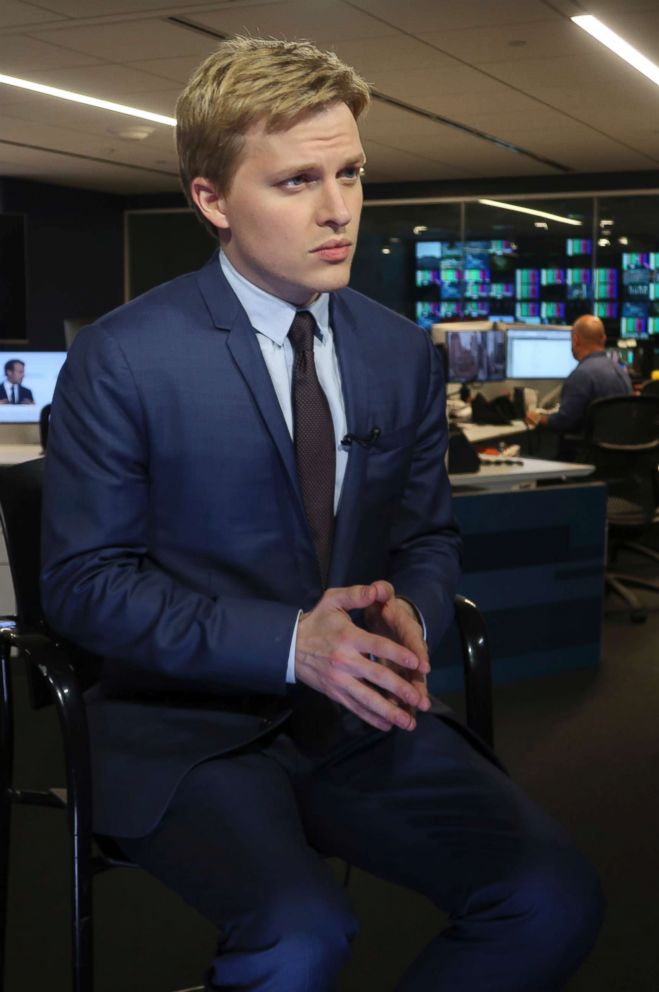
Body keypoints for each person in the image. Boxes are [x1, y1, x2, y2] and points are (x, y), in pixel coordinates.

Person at [41, 37, 603, 992]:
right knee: (301, 938)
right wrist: (291, 643)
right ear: (211, 199)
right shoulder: (125, 357)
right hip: (183, 728)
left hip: (355, 716)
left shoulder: (397, 352)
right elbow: (84, 587)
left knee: (551, 897)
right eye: (297, 181)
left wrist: (412, 617)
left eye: (348, 173)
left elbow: (425, 534)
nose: (338, 209)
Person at [526, 314, 632, 434]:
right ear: (604, 339)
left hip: (589, 451)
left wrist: (538, 418)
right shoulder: (621, 372)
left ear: (576, 340)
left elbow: (564, 422)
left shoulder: (581, 376)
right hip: (620, 448)